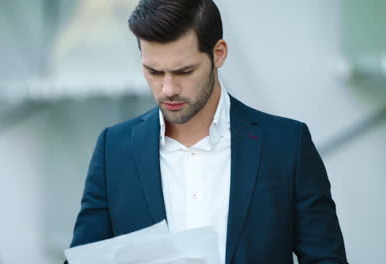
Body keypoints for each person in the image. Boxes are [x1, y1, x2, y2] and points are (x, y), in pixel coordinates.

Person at [65, 0, 348, 263]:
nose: (168, 89)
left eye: (184, 71)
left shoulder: (287, 145)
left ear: (219, 54)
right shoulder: (113, 150)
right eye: (153, 71)